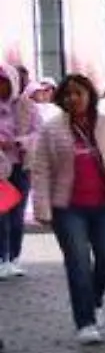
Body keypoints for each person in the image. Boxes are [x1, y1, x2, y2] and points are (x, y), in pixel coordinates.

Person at [30, 75, 105, 345]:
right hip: (68, 209)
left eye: (78, 93)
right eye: (67, 94)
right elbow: (40, 170)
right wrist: (41, 208)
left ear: (90, 95)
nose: (72, 99)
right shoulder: (50, 129)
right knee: (77, 263)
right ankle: (85, 322)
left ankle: (95, 298)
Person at [0, 66, 43, 280]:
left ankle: (14, 257)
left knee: (17, 214)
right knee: (1, 214)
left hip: (20, 166)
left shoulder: (28, 106)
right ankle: (2, 258)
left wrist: (18, 142)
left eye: (4, 82)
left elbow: (39, 134)